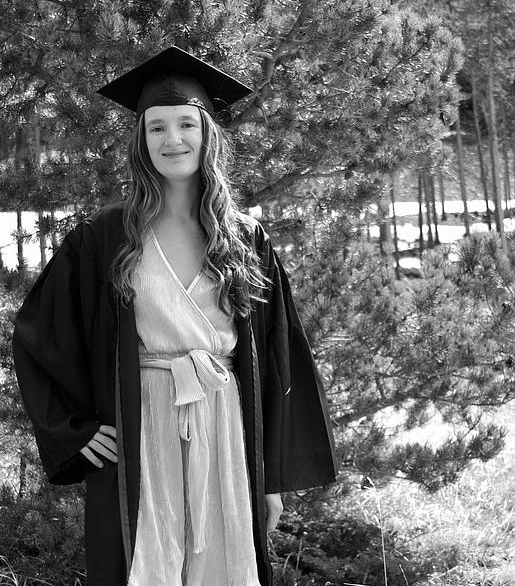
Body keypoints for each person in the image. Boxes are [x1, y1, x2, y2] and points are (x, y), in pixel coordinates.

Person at [13, 46, 337, 585]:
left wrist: (271, 478)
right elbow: (38, 336)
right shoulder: (105, 237)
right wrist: (72, 431)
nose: (173, 139)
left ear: (208, 134)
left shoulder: (244, 238)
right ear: (141, 139)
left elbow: (277, 360)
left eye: (187, 123)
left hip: (224, 424)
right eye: (156, 127)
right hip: (141, 425)